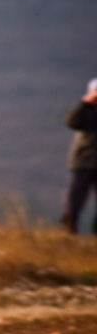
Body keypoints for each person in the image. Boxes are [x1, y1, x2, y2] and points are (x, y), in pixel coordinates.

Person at [61, 77, 97, 234]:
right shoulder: (85, 111)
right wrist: (85, 103)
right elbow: (72, 122)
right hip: (84, 160)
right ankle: (69, 225)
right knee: (76, 197)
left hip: (86, 160)